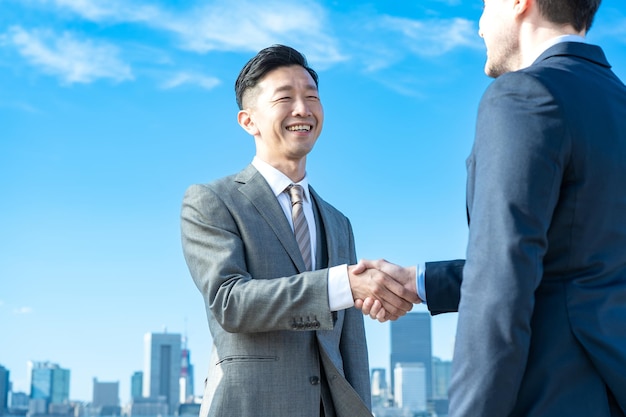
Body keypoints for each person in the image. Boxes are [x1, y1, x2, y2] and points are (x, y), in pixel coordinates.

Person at [356, 0, 626, 416]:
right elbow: (577, 264)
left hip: (553, 396)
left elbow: (502, 282)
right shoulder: (616, 102)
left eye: (483, 5)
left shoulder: (525, 95)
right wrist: (420, 282)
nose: (480, 26)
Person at [180, 44, 417, 417]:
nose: (303, 109)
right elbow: (229, 303)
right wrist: (341, 285)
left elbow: (351, 345)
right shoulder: (212, 200)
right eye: (285, 98)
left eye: (312, 97)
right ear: (248, 121)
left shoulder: (338, 222)